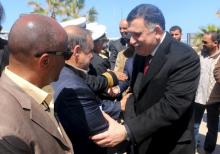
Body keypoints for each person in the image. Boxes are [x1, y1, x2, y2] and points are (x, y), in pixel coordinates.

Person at [91, 4, 200, 154]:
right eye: (130, 34)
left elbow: (172, 106)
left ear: (156, 31)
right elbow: (136, 95)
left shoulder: (185, 57)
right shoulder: (139, 54)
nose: (131, 41)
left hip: (170, 144)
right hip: (141, 142)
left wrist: (128, 131)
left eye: (137, 34)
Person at [0, 14, 73, 153]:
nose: (67, 61)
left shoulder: (40, 90)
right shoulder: (7, 132)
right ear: (45, 61)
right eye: (66, 54)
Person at [52, 26, 121, 154]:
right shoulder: (74, 87)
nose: (93, 56)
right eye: (90, 50)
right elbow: (102, 133)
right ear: (77, 51)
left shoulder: (60, 72)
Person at [194, 32, 220, 154]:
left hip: (214, 100)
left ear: (215, 43)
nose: (202, 44)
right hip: (198, 97)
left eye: (205, 42)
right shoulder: (200, 55)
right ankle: (193, 146)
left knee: (212, 128)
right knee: (194, 125)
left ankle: (208, 150)